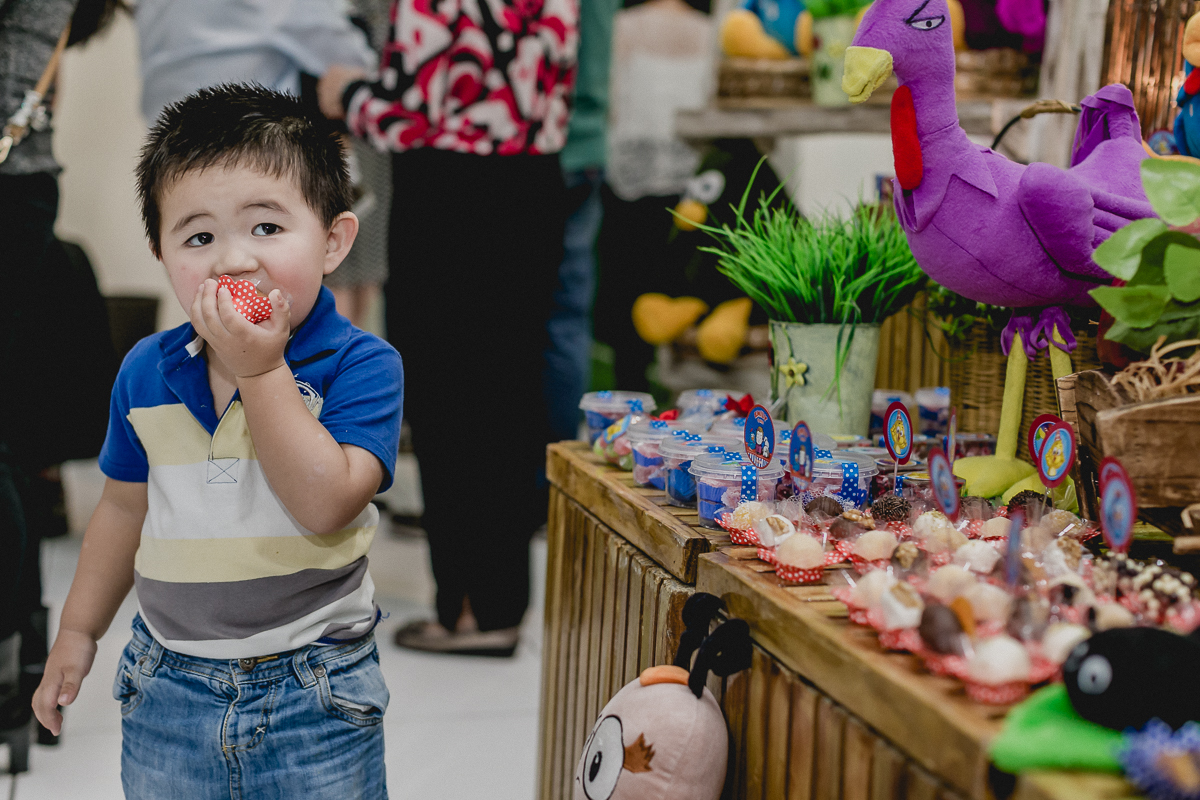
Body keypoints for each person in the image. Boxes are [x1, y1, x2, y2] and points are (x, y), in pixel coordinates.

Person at [31, 85, 403, 798]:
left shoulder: (363, 365)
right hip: (166, 686)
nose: (234, 261)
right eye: (199, 237)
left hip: (314, 689)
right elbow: (121, 510)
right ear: (161, 254)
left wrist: (262, 370)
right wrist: (80, 630)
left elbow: (326, 504)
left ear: (333, 241)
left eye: (266, 228)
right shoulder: (146, 369)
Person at [317, 0, 578, 656]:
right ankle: (502, 603)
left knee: (447, 398)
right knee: (511, 392)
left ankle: (463, 609)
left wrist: (344, 93)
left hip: (447, 194)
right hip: (532, 188)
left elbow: (407, 118)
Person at [544, 0, 622, 442]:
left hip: (544, 146)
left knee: (525, 314)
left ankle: (535, 468)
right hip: (589, 143)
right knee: (568, 315)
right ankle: (558, 458)